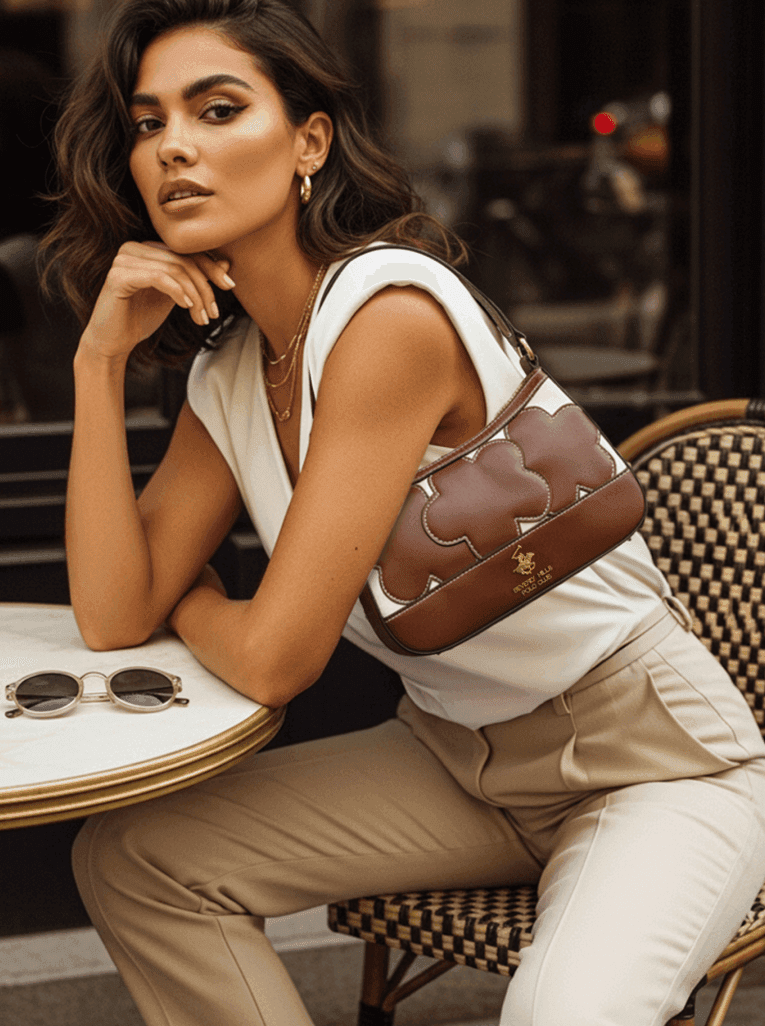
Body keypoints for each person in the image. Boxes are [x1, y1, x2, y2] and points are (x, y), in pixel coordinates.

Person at [41, 1, 765, 1024]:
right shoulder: (238, 371)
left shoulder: (388, 313)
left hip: (652, 762)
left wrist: (193, 600)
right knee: (138, 859)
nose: (175, 149)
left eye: (216, 109)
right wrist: (97, 361)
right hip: (456, 760)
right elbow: (115, 617)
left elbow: (276, 659)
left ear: (309, 141)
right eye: (150, 124)